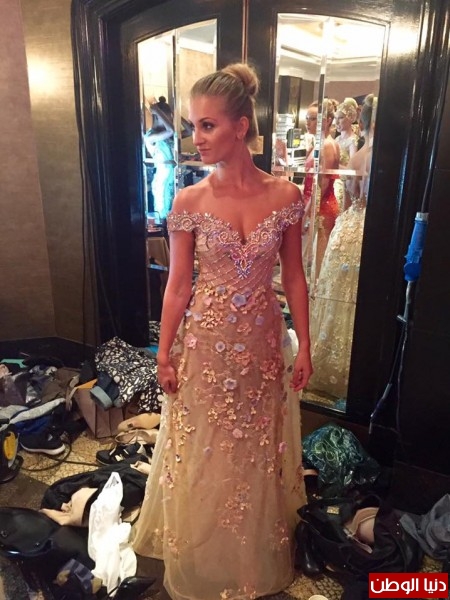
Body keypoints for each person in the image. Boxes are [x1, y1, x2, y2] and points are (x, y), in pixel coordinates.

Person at [132, 63, 312, 600]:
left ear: (241, 126)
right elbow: (177, 287)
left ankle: (248, 552)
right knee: (203, 443)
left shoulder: (287, 196)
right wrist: (163, 353)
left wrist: (305, 344)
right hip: (205, 345)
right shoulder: (188, 202)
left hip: (262, 343)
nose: (197, 138)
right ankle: (203, 550)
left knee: (254, 445)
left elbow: (295, 278)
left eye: (207, 126)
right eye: (194, 127)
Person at [307, 94, 376, 402]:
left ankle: (328, 360)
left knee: (338, 291)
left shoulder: (357, 155)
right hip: (366, 226)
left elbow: (349, 200)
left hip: (347, 224)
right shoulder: (377, 157)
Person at [302, 99, 341, 282]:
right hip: (314, 204)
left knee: (315, 266)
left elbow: (322, 185)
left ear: (326, 120)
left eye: (312, 118)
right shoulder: (319, 144)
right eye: (307, 118)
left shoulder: (327, 145)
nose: (307, 122)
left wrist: (307, 211)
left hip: (321, 208)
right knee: (308, 262)